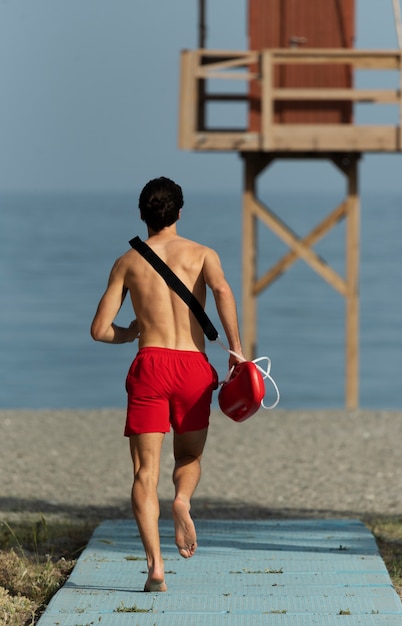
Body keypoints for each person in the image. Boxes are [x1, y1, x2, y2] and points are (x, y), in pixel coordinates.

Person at [90, 176, 244, 592]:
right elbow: (223, 291)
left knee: (144, 473)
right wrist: (236, 349)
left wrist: (133, 333)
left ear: (142, 215)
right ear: (179, 212)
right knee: (189, 457)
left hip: (151, 365)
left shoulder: (126, 263)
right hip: (193, 367)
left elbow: (100, 330)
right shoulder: (203, 254)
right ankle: (182, 501)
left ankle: (156, 567)